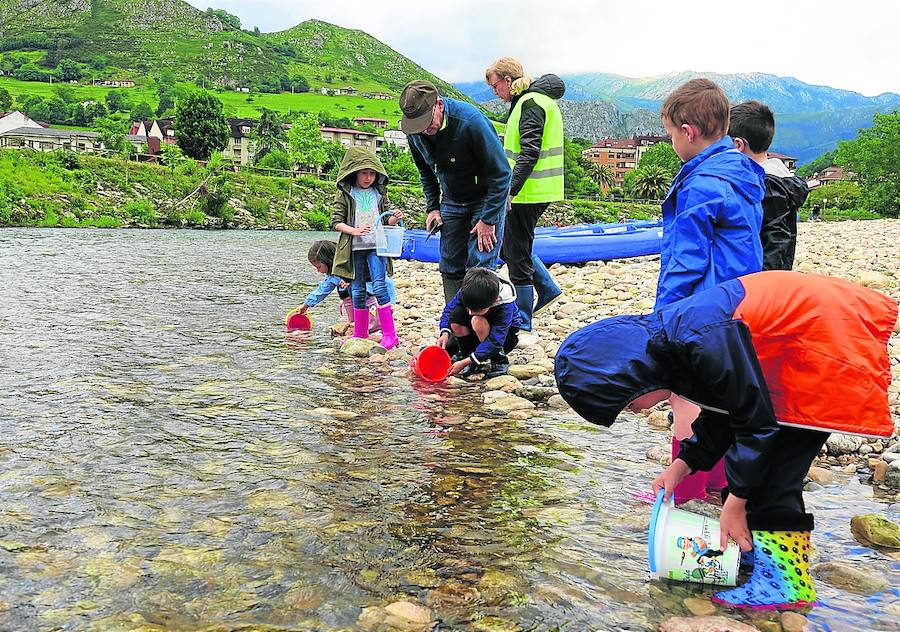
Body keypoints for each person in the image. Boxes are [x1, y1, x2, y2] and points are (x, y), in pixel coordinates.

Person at [555, 270, 897, 608]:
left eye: (628, 404)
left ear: (633, 376)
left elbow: (756, 424)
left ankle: (786, 584)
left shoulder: (701, 342)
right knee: (756, 471)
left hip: (821, 343)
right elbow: (723, 414)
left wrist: (736, 501)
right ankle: (757, 553)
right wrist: (683, 465)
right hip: (799, 343)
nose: (634, 411)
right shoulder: (675, 348)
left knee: (776, 476)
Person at [657, 78, 767, 502]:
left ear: (688, 132)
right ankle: (717, 486)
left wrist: (663, 321)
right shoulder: (743, 173)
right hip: (739, 302)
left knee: (686, 400)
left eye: (670, 135)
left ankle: (681, 495)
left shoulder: (702, 184)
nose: (671, 143)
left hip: (703, 305)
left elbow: (687, 260)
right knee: (721, 400)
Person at [400, 80, 512, 304]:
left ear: (439, 105)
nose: (424, 130)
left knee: (480, 262)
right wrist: (432, 207)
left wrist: (489, 219)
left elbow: (502, 174)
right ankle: (455, 323)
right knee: (450, 262)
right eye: (418, 126)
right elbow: (426, 171)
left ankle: (481, 325)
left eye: (427, 122)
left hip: (485, 197)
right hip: (451, 198)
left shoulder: (471, 121)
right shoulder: (414, 131)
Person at [484, 57, 565, 330]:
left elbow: (529, 152)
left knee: (515, 250)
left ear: (508, 80)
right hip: (537, 188)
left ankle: (523, 320)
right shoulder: (533, 101)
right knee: (512, 246)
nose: (495, 92)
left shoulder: (530, 103)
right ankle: (546, 287)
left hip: (529, 191)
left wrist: (510, 190)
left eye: (495, 86)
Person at [330, 146, 403, 349]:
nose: (369, 177)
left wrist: (394, 219)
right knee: (357, 290)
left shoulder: (379, 193)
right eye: (364, 173)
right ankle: (360, 332)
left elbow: (387, 219)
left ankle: (390, 334)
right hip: (354, 249)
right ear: (354, 173)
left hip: (376, 247)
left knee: (379, 285)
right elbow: (336, 221)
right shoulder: (345, 193)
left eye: (372, 173)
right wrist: (354, 231)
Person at [729, 101, 810, 271]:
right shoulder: (782, 177)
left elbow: (777, 239)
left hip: (764, 279)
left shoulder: (768, 184)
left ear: (738, 145)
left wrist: (766, 281)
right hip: (772, 275)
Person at [437, 267, 524, 379]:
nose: (471, 312)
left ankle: (499, 360)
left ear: (493, 301)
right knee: (456, 315)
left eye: (477, 310)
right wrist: (445, 332)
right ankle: (469, 356)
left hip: (504, 339)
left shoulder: (504, 303)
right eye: (469, 308)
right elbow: (449, 309)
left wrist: (464, 363)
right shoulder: (471, 288)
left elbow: (496, 339)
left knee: (477, 320)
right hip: (478, 333)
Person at [296, 240, 398, 333]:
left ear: (329, 261)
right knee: (342, 289)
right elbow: (321, 291)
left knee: (355, 290)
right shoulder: (333, 276)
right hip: (363, 297)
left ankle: (374, 322)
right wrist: (306, 305)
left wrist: (350, 281)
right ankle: (354, 320)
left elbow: (370, 276)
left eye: (318, 267)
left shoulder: (351, 263)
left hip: (378, 294)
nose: (318, 271)